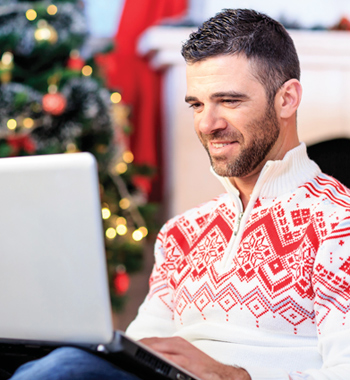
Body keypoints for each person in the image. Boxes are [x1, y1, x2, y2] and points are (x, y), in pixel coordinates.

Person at [8, 8, 350, 380]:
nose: (207, 124)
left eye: (230, 101)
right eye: (197, 104)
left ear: (287, 99)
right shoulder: (182, 233)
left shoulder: (338, 224)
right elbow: (140, 350)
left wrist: (235, 376)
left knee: (64, 370)